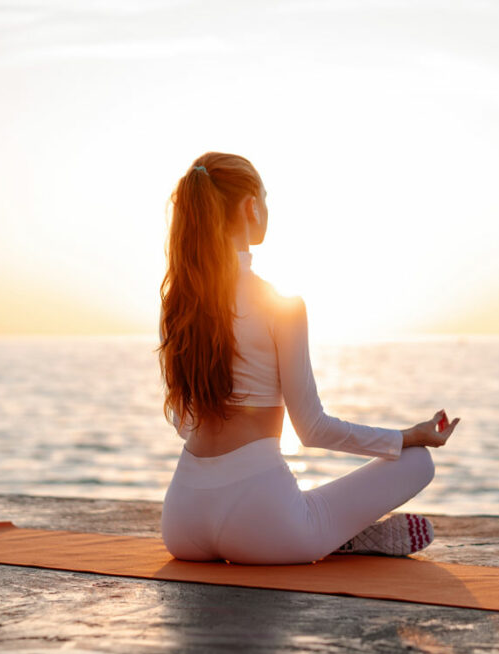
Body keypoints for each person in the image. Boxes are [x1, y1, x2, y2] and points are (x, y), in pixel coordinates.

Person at [157, 152, 460, 565]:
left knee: (295, 505)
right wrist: (408, 436)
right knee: (418, 463)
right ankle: (342, 534)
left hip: (182, 523)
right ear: (251, 207)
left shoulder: (179, 304)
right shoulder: (280, 304)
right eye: (265, 198)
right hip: (265, 525)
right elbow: (312, 429)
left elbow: (183, 422)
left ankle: (325, 526)